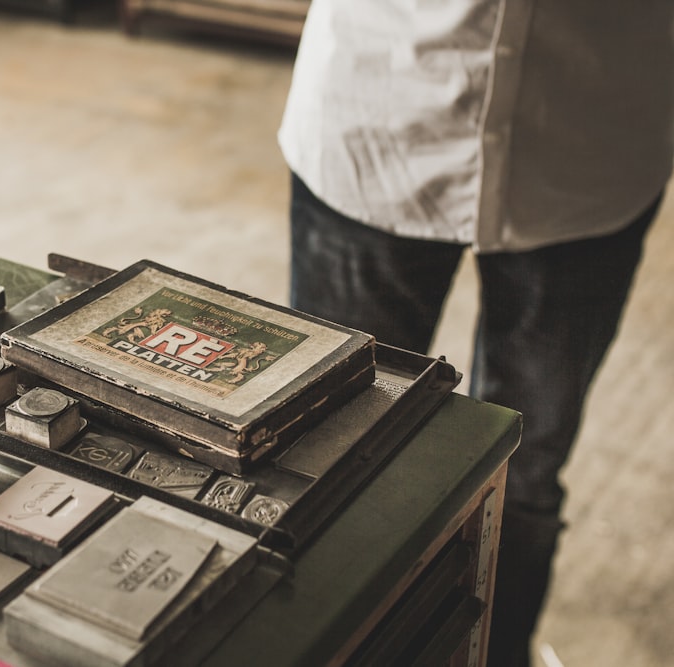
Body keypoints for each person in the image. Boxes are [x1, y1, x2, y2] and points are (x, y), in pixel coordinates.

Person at [278, 2, 674, 666]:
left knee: (523, 471)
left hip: (594, 129)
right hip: (378, 110)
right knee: (329, 463)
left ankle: (498, 653)